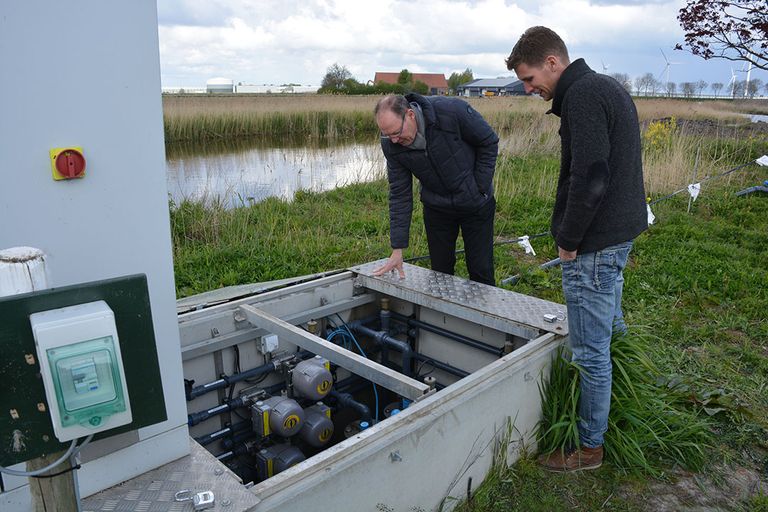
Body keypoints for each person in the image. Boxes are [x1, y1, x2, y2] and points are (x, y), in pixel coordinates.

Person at [505, 26, 647, 471]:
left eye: (530, 80)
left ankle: (589, 447)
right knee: (611, 329)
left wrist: (567, 241)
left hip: (594, 243)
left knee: (589, 352)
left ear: (553, 62)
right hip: (618, 233)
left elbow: (591, 176)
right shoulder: (605, 87)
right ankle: (620, 402)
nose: (530, 90)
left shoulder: (583, 96)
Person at [372, 93, 499, 286]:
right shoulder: (391, 145)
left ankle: (483, 313)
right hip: (437, 208)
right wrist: (397, 249)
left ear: (410, 115)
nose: (394, 140)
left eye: (396, 132)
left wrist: (479, 187)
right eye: (387, 134)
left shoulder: (451, 111)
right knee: (440, 273)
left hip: (476, 205)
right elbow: (400, 194)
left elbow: (489, 141)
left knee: (480, 270)